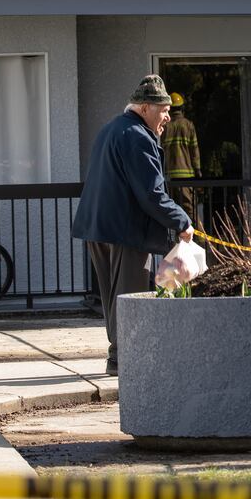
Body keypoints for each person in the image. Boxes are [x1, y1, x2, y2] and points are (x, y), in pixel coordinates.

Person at [73, 74, 193, 375]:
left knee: (115, 297)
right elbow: (152, 193)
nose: (167, 116)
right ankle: (127, 362)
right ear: (143, 108)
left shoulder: (111, 129)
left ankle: (119, 359)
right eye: (162, 109)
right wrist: (182, 221)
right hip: (124, 231)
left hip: (98, 228)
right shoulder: (139, 136)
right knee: (131, 296)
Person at [162, 91, 203, 232]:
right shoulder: (188, 125)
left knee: (172, 209)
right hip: (186, 176)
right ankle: (195, 236)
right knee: (189, 208)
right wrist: (198, 170)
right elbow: (194, 149)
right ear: (181, 108)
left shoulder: (165, 126)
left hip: (169, 176)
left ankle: (177, 241)